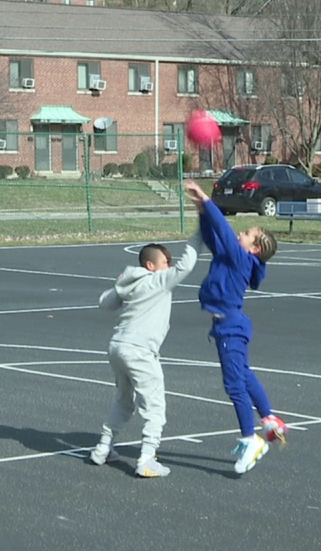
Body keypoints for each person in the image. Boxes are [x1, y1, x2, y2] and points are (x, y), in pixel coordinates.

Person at [183, 180, 287, 476]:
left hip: (230, 327)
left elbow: (226, 234)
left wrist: (207, 200)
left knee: (235, 386)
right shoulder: (232, 257)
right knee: (243, 374)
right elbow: (213, 236)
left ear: (254, 249)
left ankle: (249, 439)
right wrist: (202, 211)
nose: (241, 233)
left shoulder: (240, 259)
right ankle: (267, 418)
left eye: (248, 234)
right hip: (230, 325)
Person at [91, 238, 199, 478]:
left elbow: (104, 303)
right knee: (154, 406)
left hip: (118, 347)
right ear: (151, 265)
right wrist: (198, 237)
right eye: (165, 261)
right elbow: (187, 265)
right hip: (139, 351)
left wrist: (120, 285)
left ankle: (103, 448)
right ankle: (147, 458)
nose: (170, 264)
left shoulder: (129, 283)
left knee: (124, 400)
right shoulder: (159, 281)